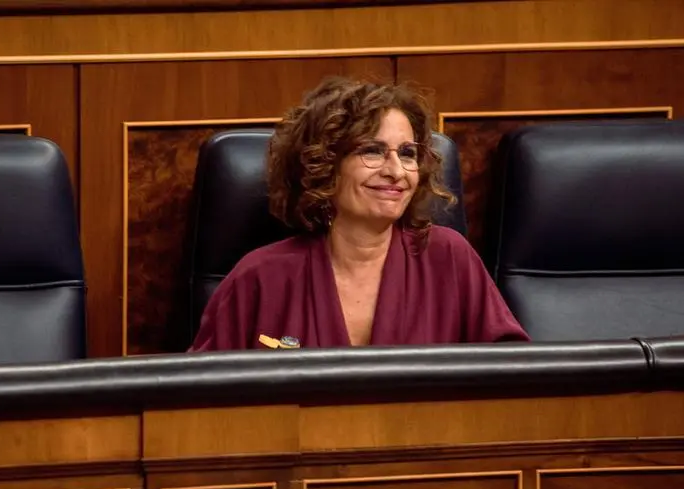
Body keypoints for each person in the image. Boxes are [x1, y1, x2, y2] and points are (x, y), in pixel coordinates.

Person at [189, 77, 529, 352]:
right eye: (372, 151)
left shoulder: (449, 257)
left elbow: (512, 378)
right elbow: (200, 394)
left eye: (408, 154)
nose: (396, 171)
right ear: (324, 165)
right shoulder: (259, 277)